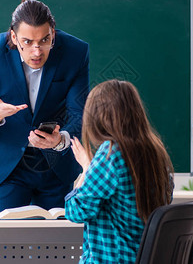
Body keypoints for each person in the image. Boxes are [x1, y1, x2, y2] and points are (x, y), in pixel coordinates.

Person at [0, 0, 89, 213]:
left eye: (44, 40)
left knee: (58, 244)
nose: (37, 51)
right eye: (28, 42)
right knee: (7, 244)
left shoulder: (75, 53)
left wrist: (61, 140)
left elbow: (80, 115)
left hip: (56, 167)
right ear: (14, 37)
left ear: (53, 33)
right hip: (6, 169)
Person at [65, 79, 174, 264]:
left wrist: (86, 169)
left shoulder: (111, 153)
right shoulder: (156, 150)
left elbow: (76, 211)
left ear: (99, 116)